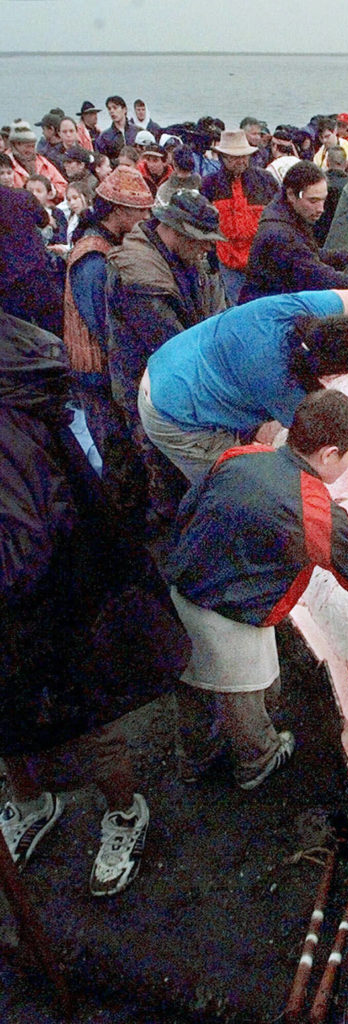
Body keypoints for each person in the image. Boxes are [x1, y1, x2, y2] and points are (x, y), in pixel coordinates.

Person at [164, 388, 348, 789]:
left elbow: (189, 508)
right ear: (329, 455)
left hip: (183, 587)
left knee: (191, 682)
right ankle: (258, 762)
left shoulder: (243, 455)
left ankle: (192, 757)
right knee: (242, 697)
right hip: (231, 618)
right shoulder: (315, 513)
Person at [0, 313, 186, 897]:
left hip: (53, 600)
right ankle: (29, 803)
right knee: (8, 720)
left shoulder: (7, 429)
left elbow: (23, 545)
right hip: (29, 601)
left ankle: (125, 812)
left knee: (84, 715)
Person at [138, 288, 348, 481]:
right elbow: (322, 425)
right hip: (170, 408)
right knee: (235, 484)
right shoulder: (280, 383)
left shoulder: (297, 310)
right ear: (330, 371)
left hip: (174, 359)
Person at [105, 190, 226, 529]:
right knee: (168, 476)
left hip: (185, 383)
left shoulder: (191, 259)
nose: (207, 248)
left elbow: (218, 311)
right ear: (173, 229)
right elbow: (174, 346)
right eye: (200, 240)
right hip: (150, 393)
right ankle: (176, 546)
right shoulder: (139, 278)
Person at [65, 166, 155, 513]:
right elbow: (104, 326)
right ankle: (123, 521)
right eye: (140, 211)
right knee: (116, 451)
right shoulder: (93, 259)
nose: (145, 218)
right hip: (97, 373)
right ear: (118, 211)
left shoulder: (102, 244)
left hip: (100, 371)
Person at [241, 160, 348, 302]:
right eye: (313, 201)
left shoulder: (286, 213)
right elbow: (322, 276)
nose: (320, 209)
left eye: (323, 200)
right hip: (265, 310)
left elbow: (311, 254)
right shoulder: (279, 233)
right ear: (292, 194)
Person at [200, 128, 278, 305]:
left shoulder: (266, 181)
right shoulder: (209, 185)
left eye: (243, 156)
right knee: (236, 309)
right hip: (227, 262)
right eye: (234, 157)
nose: (240, 161)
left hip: (262, 262)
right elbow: (204, 225)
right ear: (222, 157)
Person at [0, 164, 65, 336]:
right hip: (36, 274)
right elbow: (46, 221)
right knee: (52, 330)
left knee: (18, 338)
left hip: (7, 284)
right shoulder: (23, 197)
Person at [7, 119, 67, 199]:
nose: (31, 150)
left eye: (32, 146)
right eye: (27, 146)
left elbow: (63, 186)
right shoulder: (5, 163)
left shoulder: (42, 162)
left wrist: (52, 192)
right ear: (16, 144)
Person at [95, 96, 140, 163]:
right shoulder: (104, 137)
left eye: (115, 108)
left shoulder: (138, 131)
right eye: (109, 109)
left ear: (124, 109)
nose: (112, 111)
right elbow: (101, 162)